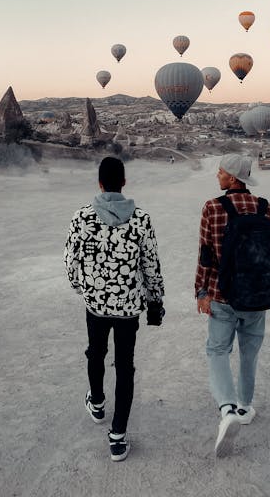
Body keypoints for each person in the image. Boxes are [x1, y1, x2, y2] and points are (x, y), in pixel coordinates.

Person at [64, 156, 164, 462]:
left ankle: (96, 403)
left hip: (95, 304)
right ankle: (117, 436)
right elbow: (151, 266)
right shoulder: (141, 219)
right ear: (124, 183)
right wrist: (155, 300)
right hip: (128, 307)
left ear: (99, 182)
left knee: (95, 352)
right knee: (125, 366)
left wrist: (84, 289)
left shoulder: (81, 217)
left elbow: (70, 262)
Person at [195, 153, 270, 456]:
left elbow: (206, 255)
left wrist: (201, 292)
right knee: (249, 354)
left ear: (233, 178)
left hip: (223, 297)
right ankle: (245, 407)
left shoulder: (212, 207)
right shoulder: (269, 209)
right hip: (258, 298)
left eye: (221, 171)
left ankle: (227, 409)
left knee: (217, 350)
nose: (218, 175)